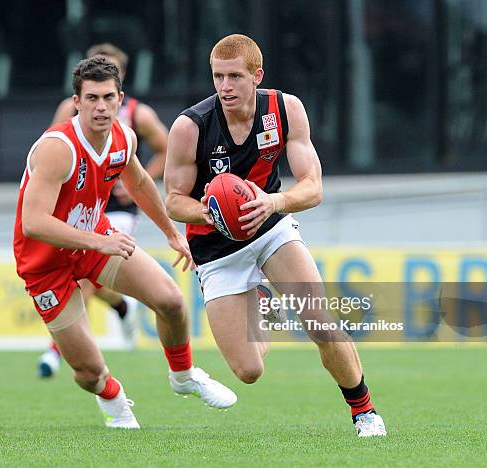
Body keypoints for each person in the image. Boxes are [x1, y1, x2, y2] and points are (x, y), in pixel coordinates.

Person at [164, 34, 387, 437]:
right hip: (214, 249)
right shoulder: (190, 126)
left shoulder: (285, 109)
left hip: (271, 228)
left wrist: (273, 203)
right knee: (248, 371)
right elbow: (174, 201)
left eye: (234, 76)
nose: (225, 86)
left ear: (256, 75)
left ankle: (365, 411)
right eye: (218, 76)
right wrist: (213, 213)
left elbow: (313, 186)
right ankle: (262, 302)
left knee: (318, 321)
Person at [13, 56, 237, 429]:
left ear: (121, 98)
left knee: (170, 300)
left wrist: (170, 233)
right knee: (87, 372)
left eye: (108, 97)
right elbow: (33, 223)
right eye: (92, 98)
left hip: (94, 241)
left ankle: (183, 376)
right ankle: (113, 397)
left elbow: (139, 183)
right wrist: (98, 242)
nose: (101, 107)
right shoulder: (57, 148)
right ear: (77, 102)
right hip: (44, 262)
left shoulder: (124, 136)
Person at [38, 44, 169, 377]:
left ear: (121, 82)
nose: (100, 102)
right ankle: (122, 307)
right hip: (75, 207)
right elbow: (47, 150)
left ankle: (55, 351)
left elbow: (166, 150)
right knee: (91, 279)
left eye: (109, 86)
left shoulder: (138, 115)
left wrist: (137, 179)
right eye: (92, 92)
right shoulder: (67, 112)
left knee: (85, 278)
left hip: (116, 207)